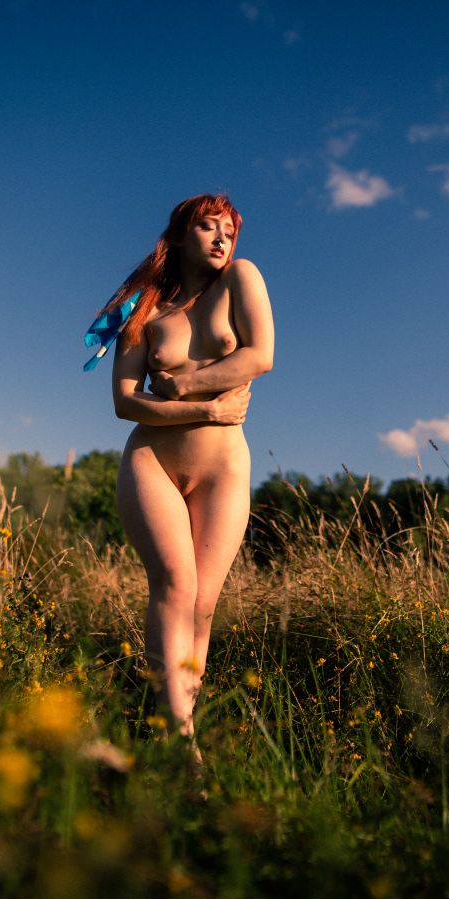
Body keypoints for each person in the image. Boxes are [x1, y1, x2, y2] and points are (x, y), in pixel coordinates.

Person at [108, 193, 274, 748]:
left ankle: (176, 721)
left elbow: (259, 355)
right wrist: (203, 407)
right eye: (208, 227)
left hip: (224, 466)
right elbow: (125, 402)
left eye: (229, 229)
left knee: (203, 604)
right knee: (175, 585)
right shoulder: (144, 306)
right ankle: (181, 744)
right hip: (152, 459)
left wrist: (183, 384)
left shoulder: (241, 279)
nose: (222, 237)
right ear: (180, 236)